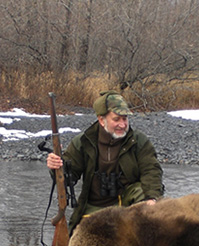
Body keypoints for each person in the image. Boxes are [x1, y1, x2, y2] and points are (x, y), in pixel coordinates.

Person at [46, 90, 164, 233]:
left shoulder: (139, 141)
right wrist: (56, 167)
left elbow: (151, 170)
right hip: (94, 206)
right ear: (101, 120)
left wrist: (152, 198)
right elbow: (68, 179)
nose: (122, 124)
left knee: (143, 195)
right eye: (116, 119)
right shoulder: (83, 142)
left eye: (125, 119)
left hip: (126, 204)